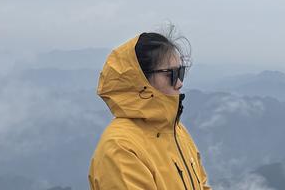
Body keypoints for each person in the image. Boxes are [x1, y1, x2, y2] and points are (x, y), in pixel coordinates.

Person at [89, 29, 211, 190]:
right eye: (171, 74)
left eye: (181, 72)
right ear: (141, 80)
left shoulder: (177, 131)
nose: (180, 83)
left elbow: (201, 184)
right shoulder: (120, 148)